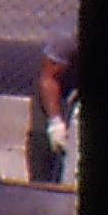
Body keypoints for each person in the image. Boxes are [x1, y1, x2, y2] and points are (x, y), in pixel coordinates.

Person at [29, 19, 81, 185]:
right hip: (63, 83)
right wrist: (56, 123)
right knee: (43, 135)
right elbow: (49, 79)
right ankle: (41, 187)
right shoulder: (66, 38)